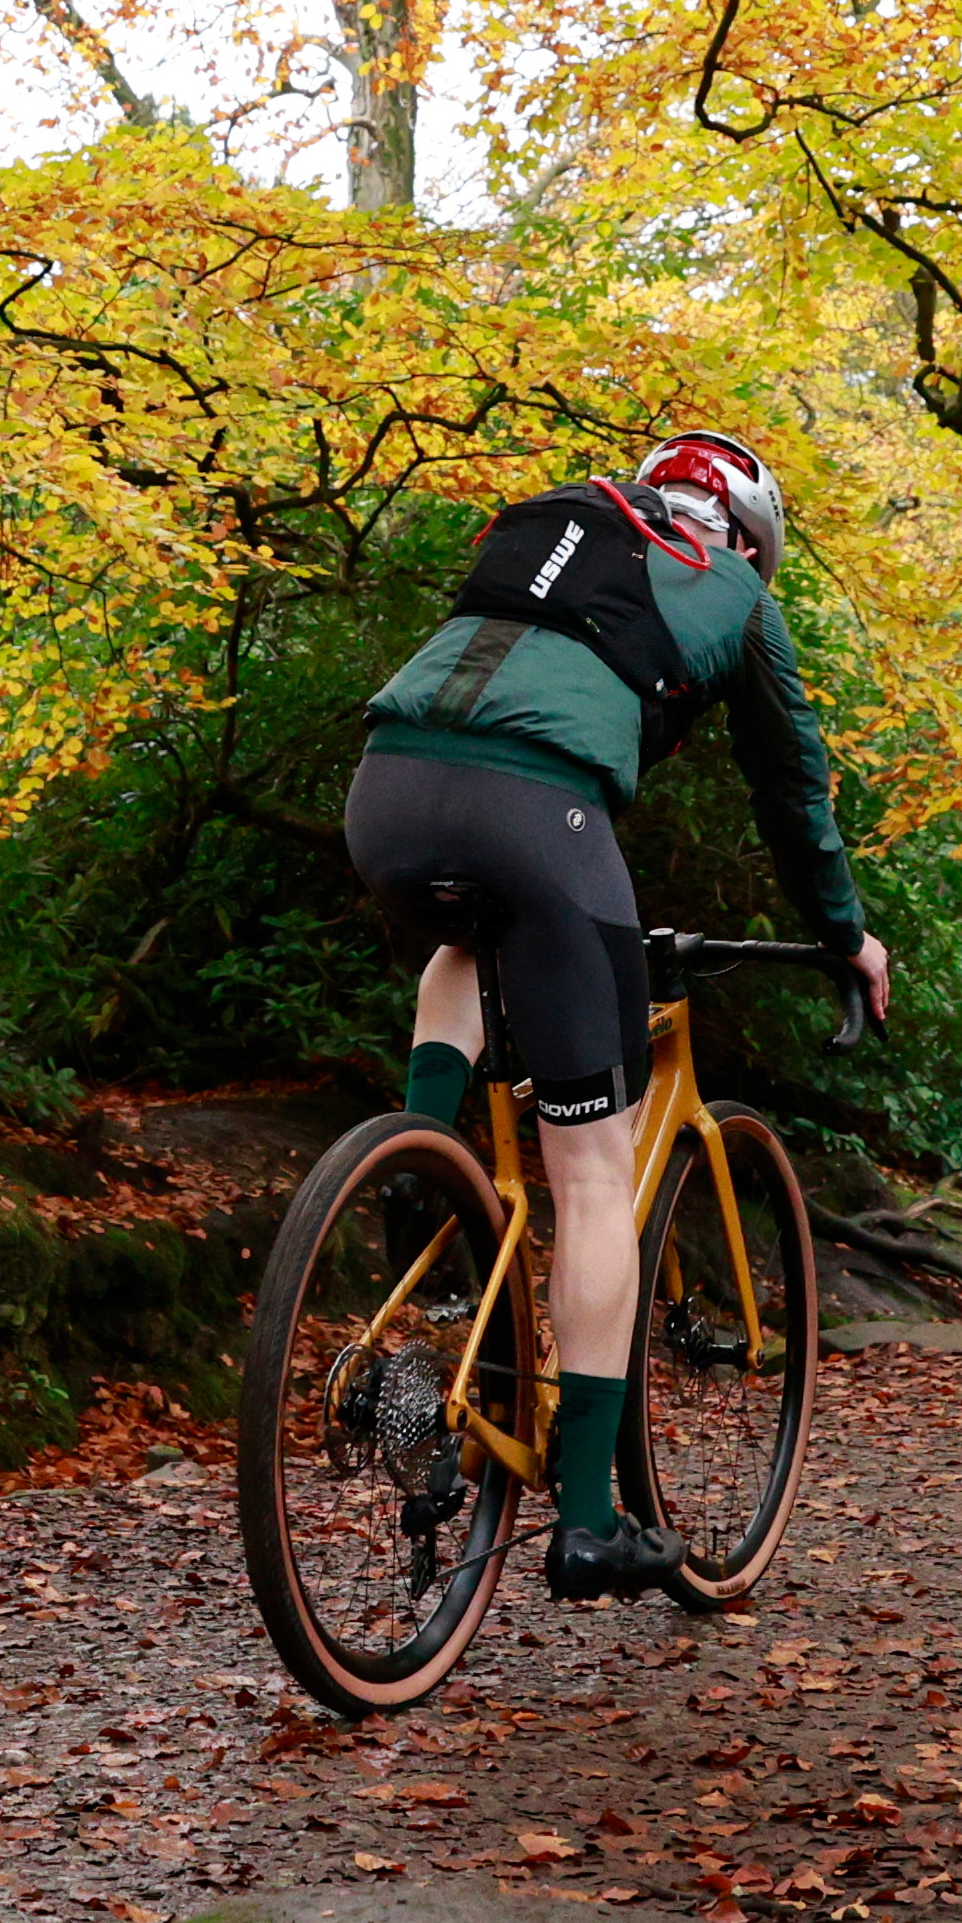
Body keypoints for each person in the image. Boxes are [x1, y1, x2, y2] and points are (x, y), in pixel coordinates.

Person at [346, 431, 887, 1603]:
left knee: (459, 942)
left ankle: (422, 1185)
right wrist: (844, 934)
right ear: (748, 536)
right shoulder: (735, 590)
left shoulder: (554, 521)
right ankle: (589, 1519)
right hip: (539, 816)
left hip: (385, 787)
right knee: (592, 1174)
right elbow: (792, 787)